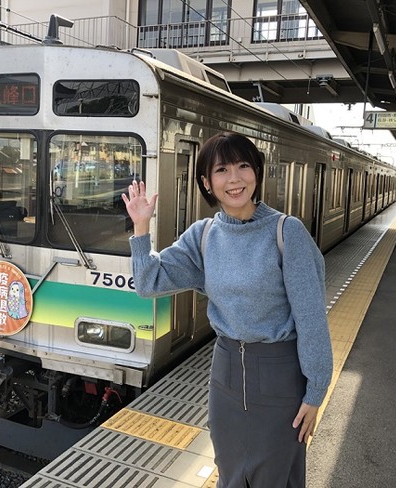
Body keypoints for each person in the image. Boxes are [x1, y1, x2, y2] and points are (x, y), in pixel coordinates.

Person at [122, 131, 333, 488]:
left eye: (243, 166)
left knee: (274, 475)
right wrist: (141, 226)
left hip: (279, 373)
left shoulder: (286, 232)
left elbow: (311, 318)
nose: (234, 179)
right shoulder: (203, 236)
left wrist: (316, 391)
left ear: (257, 172)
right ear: (206, 181)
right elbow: (148, 283)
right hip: (225, 374)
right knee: (231, 474)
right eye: (221, 170)